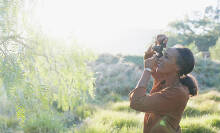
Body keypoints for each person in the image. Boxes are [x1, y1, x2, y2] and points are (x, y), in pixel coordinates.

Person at [129, 35, 199, 133]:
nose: (161, 58)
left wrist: (147, 69)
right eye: (163, 54)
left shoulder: (177, 93)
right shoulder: (168, 77)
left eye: (166, 57)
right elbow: (150, 58)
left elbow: (136, 102)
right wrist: (157, 45)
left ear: (177, 67)